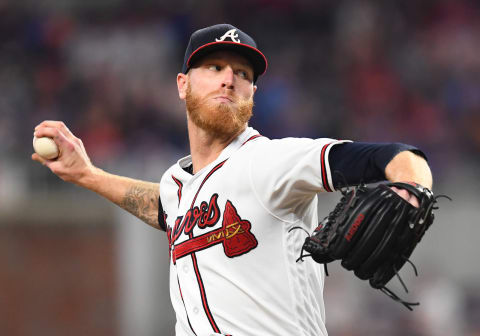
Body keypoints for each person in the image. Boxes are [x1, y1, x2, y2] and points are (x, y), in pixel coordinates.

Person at [32, 24, 432, 336]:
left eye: (242, 73)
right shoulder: (178, 182)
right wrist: (89, 175)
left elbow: (397, 156)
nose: (229, 79)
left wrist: (413, 190)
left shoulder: (271, 162)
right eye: (214, 67)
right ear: (182, 84)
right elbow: (164, 205)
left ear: (253, 92)